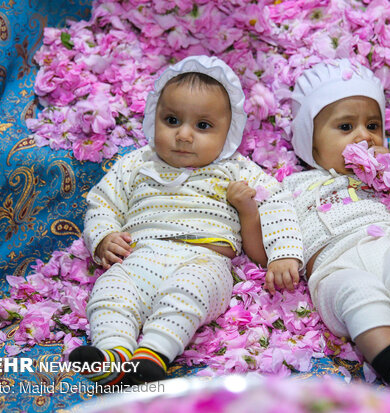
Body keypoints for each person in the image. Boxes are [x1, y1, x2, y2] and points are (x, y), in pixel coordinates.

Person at [69, 55, 303, 386]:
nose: (184, 135)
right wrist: (104, 236)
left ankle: (153, 353)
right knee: (110, 290)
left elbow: (277, 205)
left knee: (187, 293)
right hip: (139, 256)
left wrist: (284, 254)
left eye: (203, 126)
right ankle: (113, 353)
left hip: (204, 259)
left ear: (228, 132)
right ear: (154, 119)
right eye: (172, 120)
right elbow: (103, 203)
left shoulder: (237, 169)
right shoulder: (136, 164)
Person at [233, 59, 390, 390]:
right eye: (346, 127)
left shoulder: (387, 177)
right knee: (357, 293)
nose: (364, 135)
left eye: (373, 126)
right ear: (311, 144)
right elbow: (267, 249)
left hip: (388, 246)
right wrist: (250, 214)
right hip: (335, 268)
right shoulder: (291, 188)